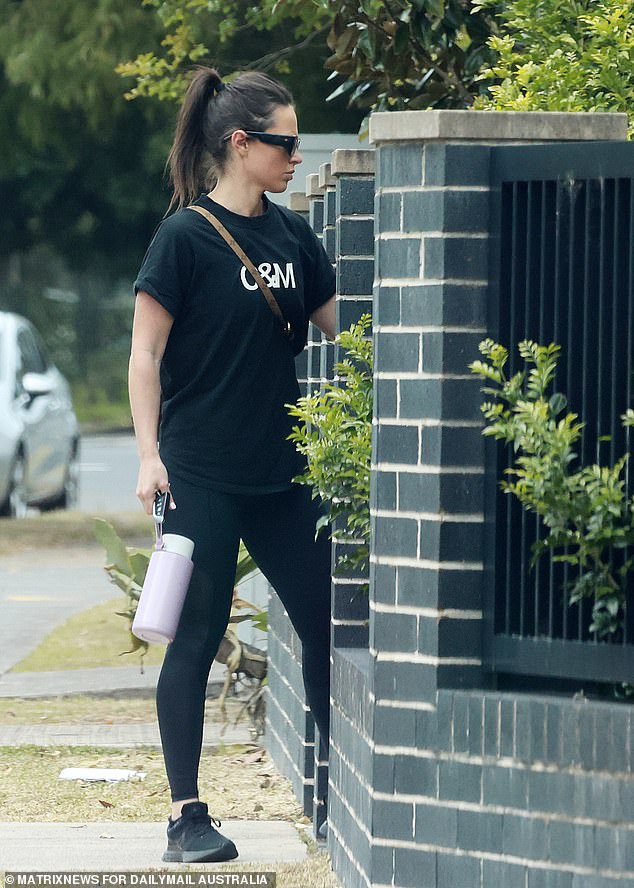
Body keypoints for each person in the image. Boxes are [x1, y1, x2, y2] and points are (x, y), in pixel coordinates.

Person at [128, 66, 336, 864]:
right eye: (284, 142)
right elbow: (145, 355)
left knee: (325, 623)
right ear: (240, 144)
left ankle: (328, 790)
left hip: (282, 475)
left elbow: (343, 325)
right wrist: (149, 455)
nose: (294, 155)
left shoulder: (291, 237)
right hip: (199, 473)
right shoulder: (182, 237)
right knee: (195, 636)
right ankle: (187, 818)